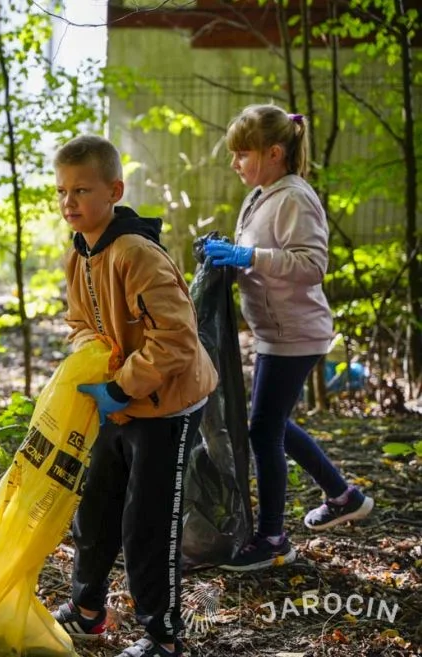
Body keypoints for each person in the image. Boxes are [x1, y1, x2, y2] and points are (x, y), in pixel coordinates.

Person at [51, 135, 218, 657]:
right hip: (116, 399)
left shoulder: (135, 254)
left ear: (114, 190)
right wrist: (103, 374)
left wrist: (122, 388)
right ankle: (87, 610)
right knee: (96, 506)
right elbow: (80, 324)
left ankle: (163, 636)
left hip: (166, 404)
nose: (68, 202)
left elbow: (176, 339)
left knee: (148, 520)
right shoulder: (79, 254)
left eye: (81, 190)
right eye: (60, 191)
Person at [203, 104, 374, 572]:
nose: (234, 163)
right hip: (275, 333)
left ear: (274, 152)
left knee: (263, 428)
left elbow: (311, 266)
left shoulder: (296, 197)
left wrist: (247, 255)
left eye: (242, 154)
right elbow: (256, 256)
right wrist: (227, 259)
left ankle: (273, 537)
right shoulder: (262, 193)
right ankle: (343, 495)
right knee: (270, 423)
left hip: (297, 333)